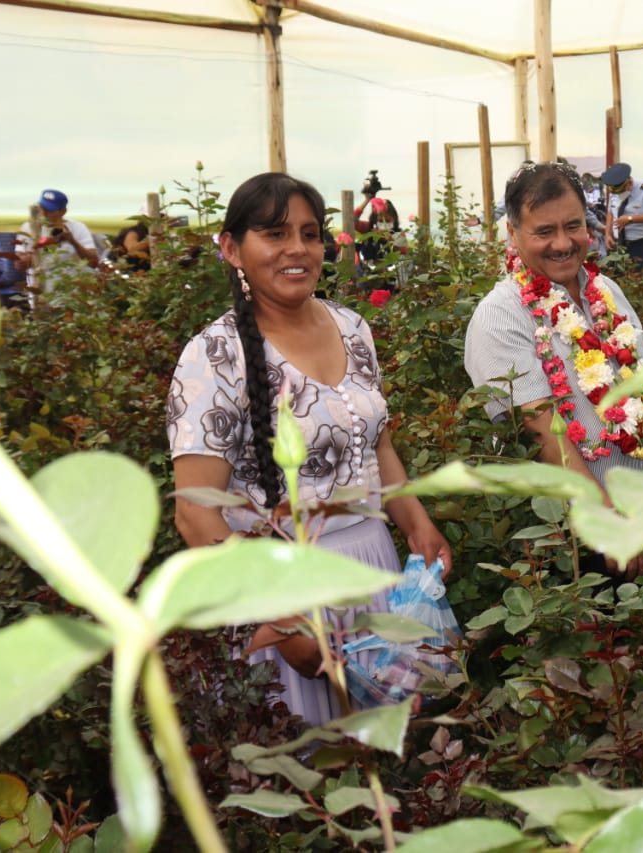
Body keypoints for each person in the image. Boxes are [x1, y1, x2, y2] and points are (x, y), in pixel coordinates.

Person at [167, 172, 451, 726]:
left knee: (388, 764)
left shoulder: (351, 327)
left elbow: (377, 443)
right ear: (231, 249)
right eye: (274, 234)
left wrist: (415, 523)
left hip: (373, 567)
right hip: (282, 589)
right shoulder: (214, 356)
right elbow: (194, 513)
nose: (297, 249)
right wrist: (277, 617)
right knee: (313, 769)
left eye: (310, 233)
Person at [464, 161, 643, 576]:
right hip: (572, 537)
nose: (562, 243)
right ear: (513, 234)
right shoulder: (500, 315)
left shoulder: (604, 290)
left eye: (573, 226)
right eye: (543, 232)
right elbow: (542, 430)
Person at [14, 189, 100, 296]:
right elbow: (19, 266)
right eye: (42, 208)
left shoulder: (77, 228)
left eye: (50, 210)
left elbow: (94, 262)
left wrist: (73, 242)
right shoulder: (28, 228)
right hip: (40, 296)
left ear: (63, 211)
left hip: (71, 297)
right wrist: (43, 245)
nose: (44, 213)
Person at [601, 162, 643, 283]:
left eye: (623, 189)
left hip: (640, 246)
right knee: (617, 285)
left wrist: (630, 219)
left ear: (629, 182)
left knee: (642, 287)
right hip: (618, 246)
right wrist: (608, 234)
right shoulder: (615, 190)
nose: (619, 193)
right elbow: (610, 211)